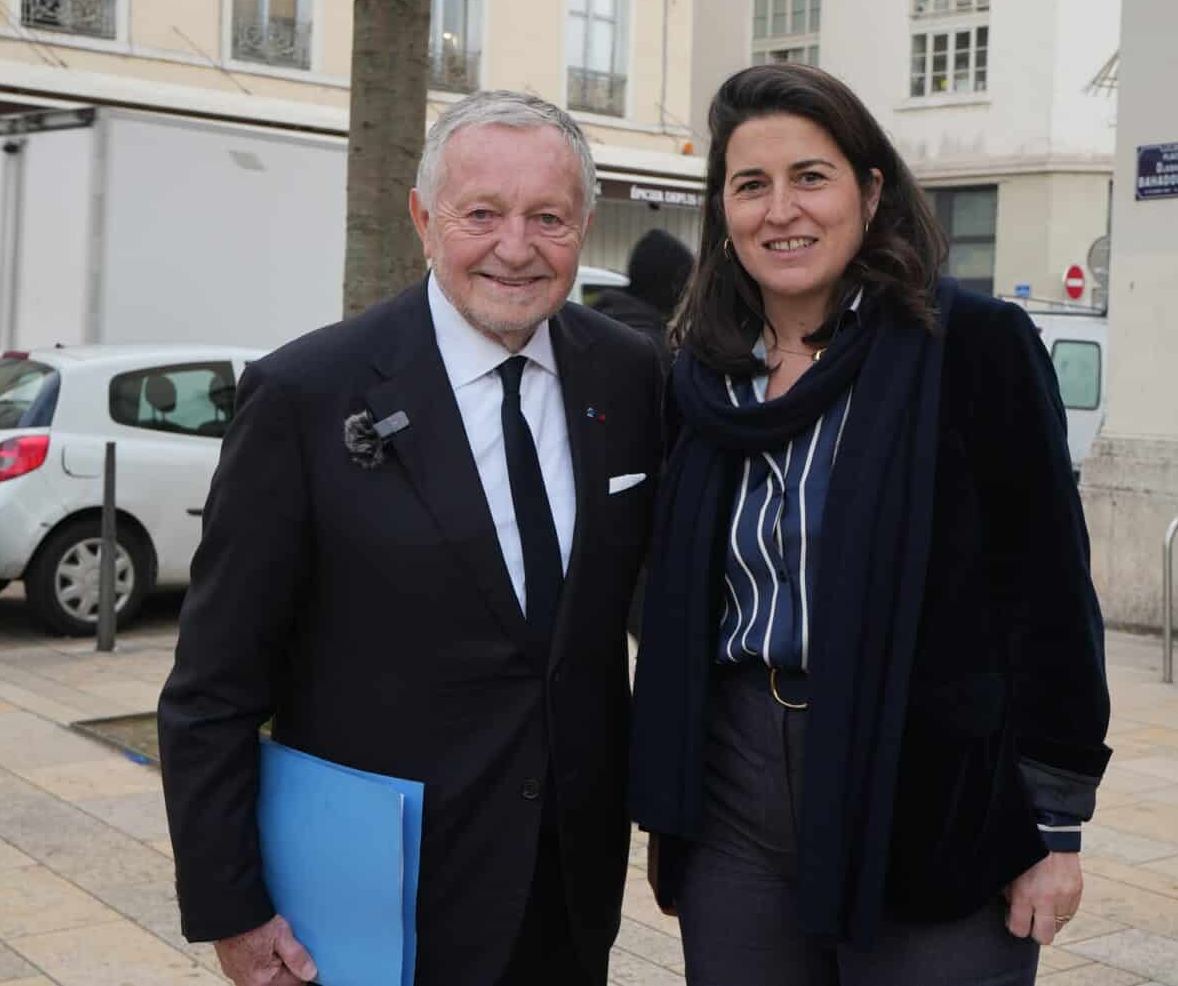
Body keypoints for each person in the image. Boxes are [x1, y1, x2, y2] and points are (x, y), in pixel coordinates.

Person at [159, 91, 666, 986]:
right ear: (423, 220)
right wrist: (231, 904)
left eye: (547, 217)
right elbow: (212, 685)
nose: (516, 247)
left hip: (568, 890)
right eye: (482, 213)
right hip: (369, 903)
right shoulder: (305, 395)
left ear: (585, 224)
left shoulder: (630, 379)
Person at [628, 64, 1112, 985]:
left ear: (871, 189)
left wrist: (1055, 826)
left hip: (926, 786)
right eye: (750, 184)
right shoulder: (698, 373)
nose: (782, 210)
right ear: (721, 210)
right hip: (733, 791)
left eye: (811, 176)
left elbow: (1047, 592)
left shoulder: (970, 346)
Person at [592, 228, 695, 363]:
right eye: (685, 288)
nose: (687, 298)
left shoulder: (596, 321)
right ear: (671, 286)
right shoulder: (653, 350)